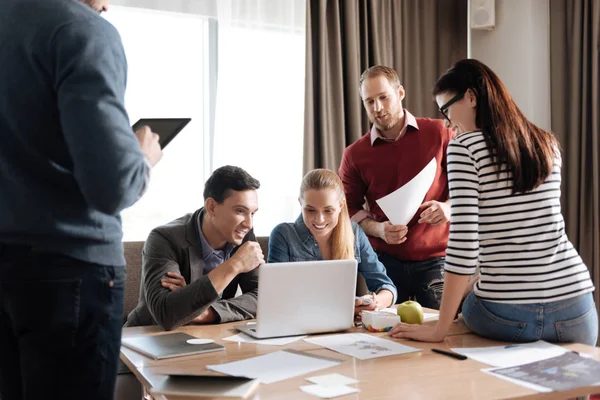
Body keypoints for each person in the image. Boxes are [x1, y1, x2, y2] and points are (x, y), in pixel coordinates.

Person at [0, 0, 163, 399]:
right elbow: (114, 186)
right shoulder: (82, 31)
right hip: (70, 270)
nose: (106, 5)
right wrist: (142, 155)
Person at [389, 59, 598, 346]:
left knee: (472, 300)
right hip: (576, 304)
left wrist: (440, 327)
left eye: (446, 109)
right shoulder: (545, 143)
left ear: (471, 97)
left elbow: (464, 245)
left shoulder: (464, 148)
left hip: (508, 315)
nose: (448, 122)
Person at [338, 65, 455, 309]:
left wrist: (448, 208)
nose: (377, 108)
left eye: (383, 97)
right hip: (384, 260)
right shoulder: (354, 154)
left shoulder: (440, 133)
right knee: (382, 335)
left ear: (400, 93)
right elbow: (346, 209)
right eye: (369, 101)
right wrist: (379, 229)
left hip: (438, 259)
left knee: (443, 328)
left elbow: (471, 186)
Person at [125, 165, 264, 330]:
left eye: (253, 213)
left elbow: (263, 297)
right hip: (146, 336)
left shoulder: (243, 234)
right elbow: (167, 313)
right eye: (240, 211)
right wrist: (235, 265)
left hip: (204, 335)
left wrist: (205, 312)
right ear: (211, 207)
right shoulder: (164, 238)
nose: (249, 223)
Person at [268, 169, 397, 316]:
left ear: (341, 206)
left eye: (328, 211)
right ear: (300, 203)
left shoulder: (354, 232)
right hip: (297, 324)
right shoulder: (283, 235)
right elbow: (275, 296)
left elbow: (387, 288)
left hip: (344, 328)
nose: (319, 219)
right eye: (310, 210)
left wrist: (374, 302)